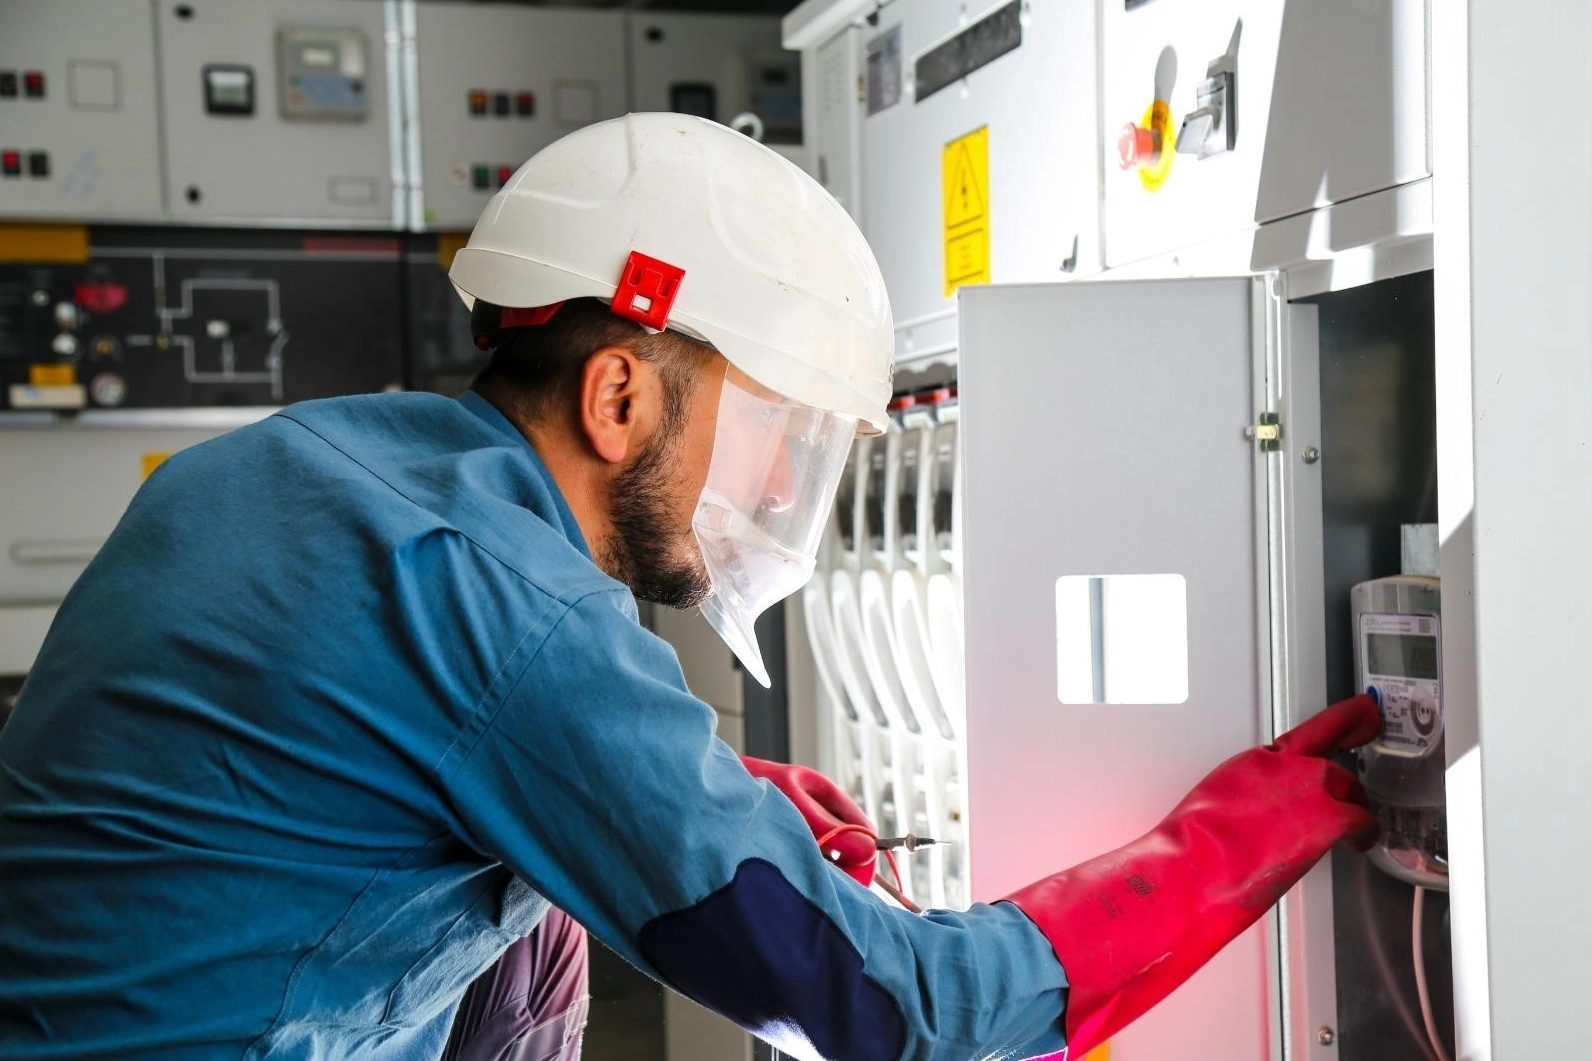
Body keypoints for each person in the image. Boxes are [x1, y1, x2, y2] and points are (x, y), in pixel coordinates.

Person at [0, 113, 1382, 1061]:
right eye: (772, 429)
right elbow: (893, 1014)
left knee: (543, 906)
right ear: (618, 395)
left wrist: (708, 799)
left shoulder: (284, 467)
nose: (778, 486)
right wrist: (1222, 845)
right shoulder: (514, 606)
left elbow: (316, 777)